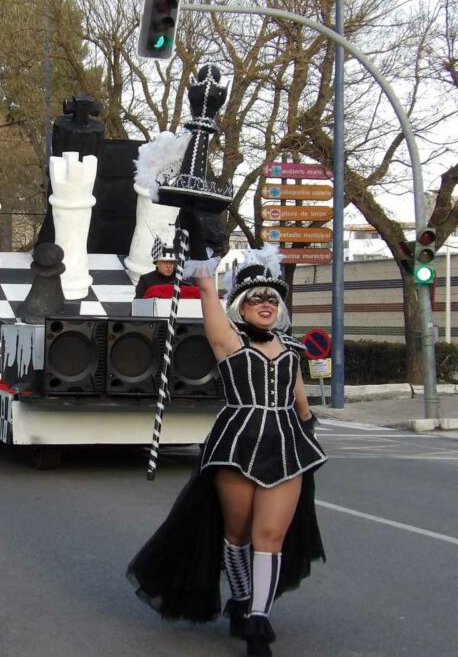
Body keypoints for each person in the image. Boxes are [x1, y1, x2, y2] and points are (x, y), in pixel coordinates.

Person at [128, 247, 327, 657]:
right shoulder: (229, 342)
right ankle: (240, 600)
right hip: (237, 444)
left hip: (286, 444)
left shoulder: (291, 349)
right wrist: (205, 259)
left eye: (272, 298)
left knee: (269, 535)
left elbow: (299, 399)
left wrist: (307, 425)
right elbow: (206, 293)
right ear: (240, 306)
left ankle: (257, 618)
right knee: (237, 536)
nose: (265, 304)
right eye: (255, 298)